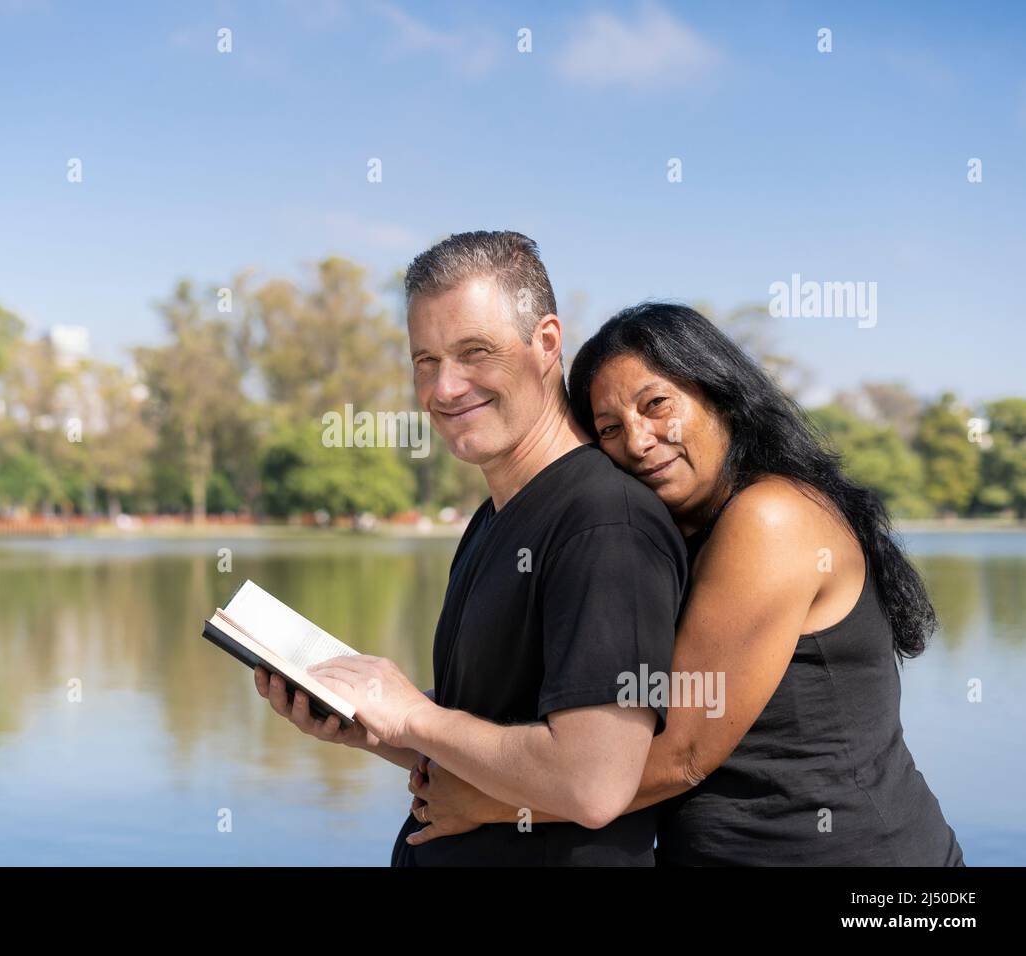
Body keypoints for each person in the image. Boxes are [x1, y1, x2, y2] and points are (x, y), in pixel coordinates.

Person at [406, 301, 965, 866]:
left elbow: (682, 754)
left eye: (656, 406)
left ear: (719, 394)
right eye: (609, 429)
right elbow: (588, 715)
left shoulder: (773, 518)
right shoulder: (663, 535)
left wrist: (491, 802)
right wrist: (381, 714)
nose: (639, 440)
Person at [253, 231, 688, 865]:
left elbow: (593, 782)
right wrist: (369, 724)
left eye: (473, 352)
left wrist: (411, 716)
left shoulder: (604, 523)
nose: (445, 388)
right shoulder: (493, 517)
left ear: (545, 343)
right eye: (424, 360)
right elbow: (492, 734)